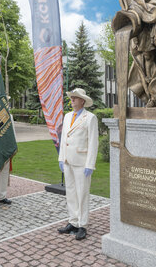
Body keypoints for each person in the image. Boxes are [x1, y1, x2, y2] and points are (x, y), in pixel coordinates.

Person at [57, 88, 98, 241]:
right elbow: (64, 139)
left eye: (76, 97)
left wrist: (90, 164)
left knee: (82, 194)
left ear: (83, 101)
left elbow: (93, 143)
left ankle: (82, 225)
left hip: (82, 163)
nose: (72, 99)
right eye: (72, 97)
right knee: (71, 193)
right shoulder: (67, 116)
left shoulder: (90, 118)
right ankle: (73, 222)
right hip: (68, 161)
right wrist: (61, 158)